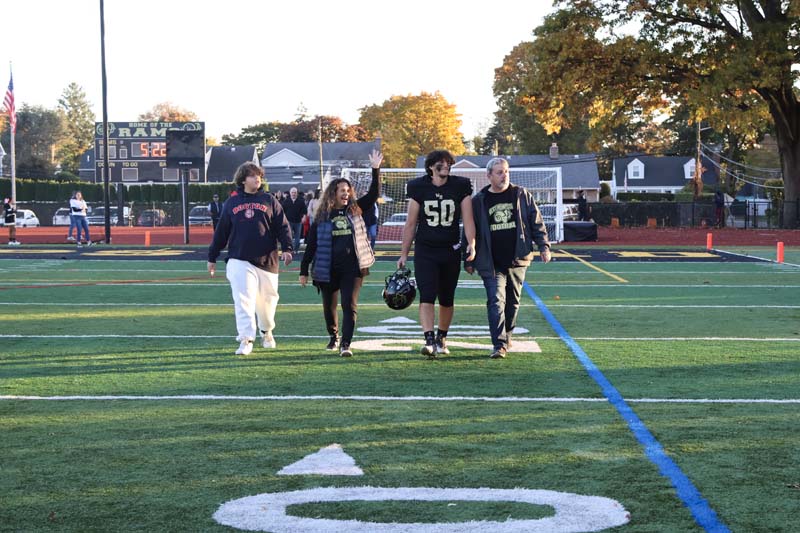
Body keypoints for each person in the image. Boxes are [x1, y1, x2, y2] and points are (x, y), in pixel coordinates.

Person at [465, 158, 551, 359]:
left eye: (506, 171)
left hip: (517, 258)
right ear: (489, 176)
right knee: (495, 301)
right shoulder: (479, 200)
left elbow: (536, 222)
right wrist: (468, 259)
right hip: (490, 261)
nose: (504, 175)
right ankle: (499, 344)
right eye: (499, 172)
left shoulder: (521, 195)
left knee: (512, 302)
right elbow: (470, 230)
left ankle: (507, 335)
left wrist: (544, 246)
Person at [300, 150, 382, 357]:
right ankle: (334, 336)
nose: (346, 193)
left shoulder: (355, 209)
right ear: (333, 193)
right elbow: (311, 245)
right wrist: (303, 270)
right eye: (341, 190)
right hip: (327, 268)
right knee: (329, 308)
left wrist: (375, 169)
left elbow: (374, 194)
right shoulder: (323, 215)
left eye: (348, 190)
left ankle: (346, 344)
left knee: (349, 305)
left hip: (352, 268)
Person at [207, 162, 294, 356]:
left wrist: (288, 248)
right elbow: (221, 232)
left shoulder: (269, 200)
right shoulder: (232, 202)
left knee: (268, 303)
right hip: (239, 259)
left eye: (259, 175)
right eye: (253, 175)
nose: (258, 179)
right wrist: (212, 256)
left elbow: (283, 226)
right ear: (243, 179)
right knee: (243, 299)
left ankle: (267, 330)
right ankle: (246, 339)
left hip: (268, 259)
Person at [397, 149, 476, 358]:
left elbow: (468, 219)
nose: (447, 166)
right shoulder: (418, 187)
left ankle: (442, 336)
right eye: (442, 163)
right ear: (431, 166)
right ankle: (429, 339)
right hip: (425, 250)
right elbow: (411, 223)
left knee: (447, 298)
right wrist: (404, 253)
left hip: (450, 250)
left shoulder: (460, 185)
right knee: (427, 295)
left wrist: (472, 243)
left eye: (449, 163)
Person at [282, 187, 306, 251]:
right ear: (290, 193)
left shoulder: (301, 201)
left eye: (295, 192)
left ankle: (296, 250)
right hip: (289, 221)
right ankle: (290, 249)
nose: (293, 194)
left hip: (298, 221)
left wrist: (304, 217)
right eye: (292, 192)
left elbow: (304, 211)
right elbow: (282, 211)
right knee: (289, 236)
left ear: (297, 193)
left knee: (297, 237)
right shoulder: (286, 201)